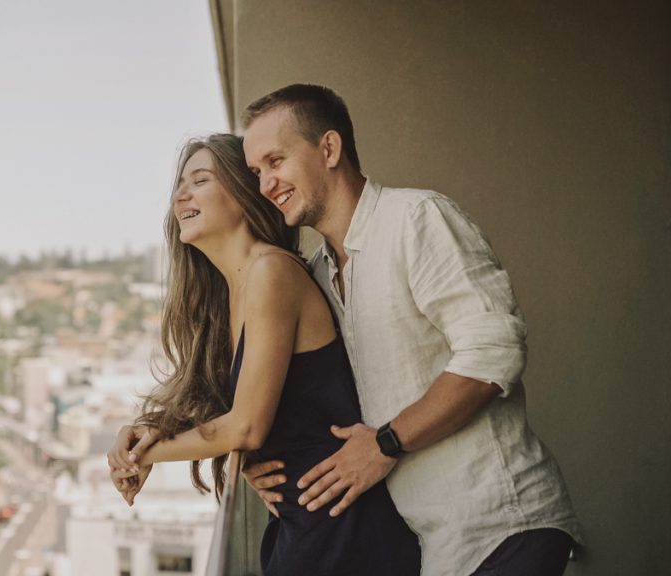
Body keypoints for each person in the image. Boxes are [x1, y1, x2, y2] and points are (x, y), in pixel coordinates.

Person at [238, 84, 583, 576]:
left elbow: (492, 353)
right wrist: (264, 466)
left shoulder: (417, 219)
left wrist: (385, 444)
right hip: (430, 548)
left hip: (502, 527)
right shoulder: (313, 277)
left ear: (329, 149)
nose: (266, 185)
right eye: (256, 173)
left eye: (276, 161)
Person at [106, 134, 420, 575]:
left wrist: (145, 455)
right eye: (180, 185)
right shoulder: (234, 292)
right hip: (306, 523)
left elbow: (248, 426)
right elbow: (250, 421)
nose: (180, 195)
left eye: (199, 181)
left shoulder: (271, 273)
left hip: (342, 532)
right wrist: (148, 432)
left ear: (241, 195)